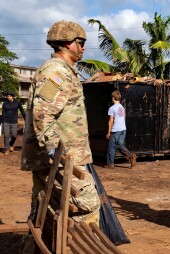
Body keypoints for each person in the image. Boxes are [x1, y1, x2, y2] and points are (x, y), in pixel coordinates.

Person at [20, 20, 101, 226]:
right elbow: (43, 113)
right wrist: (53, 150)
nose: (83, 47)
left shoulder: (61, 70)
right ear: (67, 43)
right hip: (61, 158)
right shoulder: (58, 72)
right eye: (80, 42)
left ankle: (35, 247)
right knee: (88, 203)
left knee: (42, 212)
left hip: (57, 157)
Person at [105, 90, 136, 169]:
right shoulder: (122, 107)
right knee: (119, 144)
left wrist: (108, 132)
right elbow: (123, 118)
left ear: (113, 98)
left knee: (111, 147)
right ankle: (130, 155)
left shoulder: (112, 108)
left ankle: (110, 164)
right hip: (123, 129)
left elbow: (110, 121)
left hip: (116, 130)